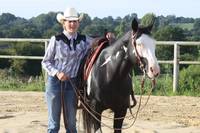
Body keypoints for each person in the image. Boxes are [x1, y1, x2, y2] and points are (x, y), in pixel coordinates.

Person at [41, 7, 93, 133]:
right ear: (63, 23)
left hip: (72, 83)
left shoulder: (84, 40)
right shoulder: (56, 40)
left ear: (78, 23)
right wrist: (57, 73)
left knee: (71, 123)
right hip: (55, 82)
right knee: (54, 123)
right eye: (69, 21)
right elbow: (46, 61)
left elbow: (98, 43)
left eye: (75, 21)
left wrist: (108, 37)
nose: (72, 24)